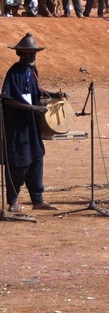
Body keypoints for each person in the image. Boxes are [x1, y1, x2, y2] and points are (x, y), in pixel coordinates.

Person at [1, 33, 64, 213]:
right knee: (18, 162)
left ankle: (37, 199)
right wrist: (31, 108)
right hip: (17, 125)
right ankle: (12, 201)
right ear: (20, 53)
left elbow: (38, 92)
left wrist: (54, 95)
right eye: (29, 53)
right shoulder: (14, 72)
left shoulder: (32, 71)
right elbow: (7, 99)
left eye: (34, 53)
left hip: (31, 124)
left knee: (36, 158)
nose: (33, 56)